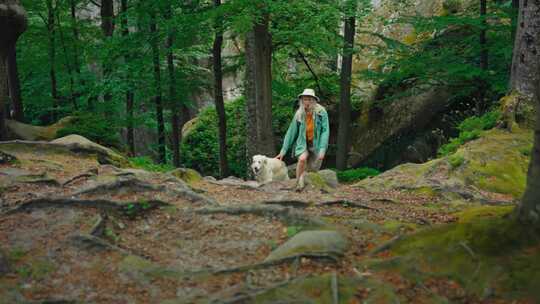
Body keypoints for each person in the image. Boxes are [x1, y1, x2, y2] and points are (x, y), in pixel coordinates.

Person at [275, 88, 330, 191]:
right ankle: (297, 184)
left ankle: (310, 187)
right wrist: (283, 150)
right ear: (301, 100)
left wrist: (322, 149)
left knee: (313, 169)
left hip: (316, 144)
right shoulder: (299, 113)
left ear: (314, 100)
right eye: (305, 99)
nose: (307, 102)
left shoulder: (321, 112)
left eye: (309, 99)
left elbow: (325, 131)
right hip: (303, 143)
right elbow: (291, 132)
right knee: (302, 159)